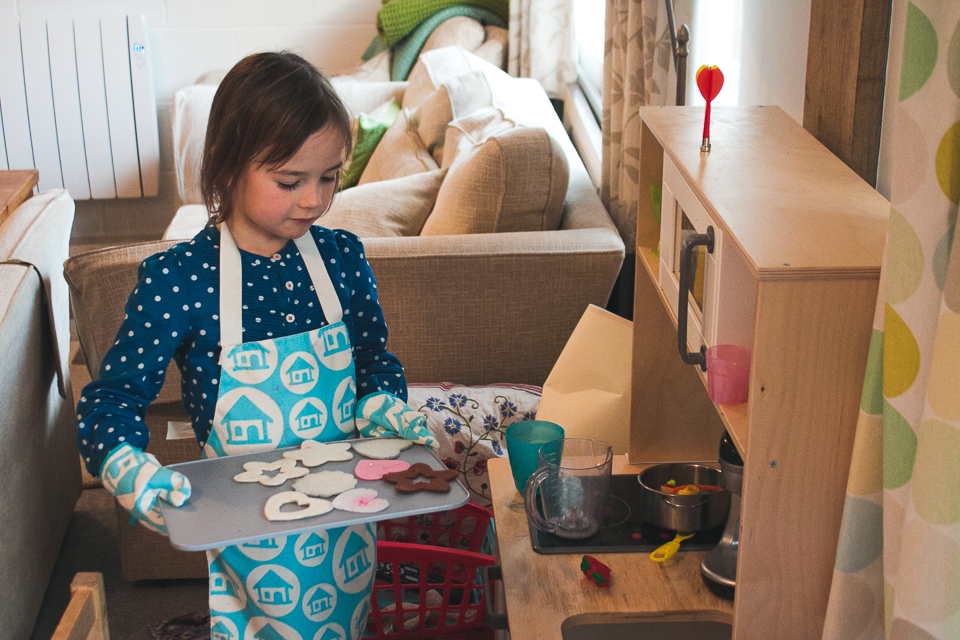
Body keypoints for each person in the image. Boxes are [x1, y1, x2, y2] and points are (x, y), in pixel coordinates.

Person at [76, 51, 435, 640]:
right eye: (290, 181)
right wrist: (127, 466)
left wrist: (381, 402)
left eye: (330, 177)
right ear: (226, 166)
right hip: (251, 534)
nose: (313, 200)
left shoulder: (343, 259)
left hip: (347, 517)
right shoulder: (179, 280)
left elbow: (373, 358)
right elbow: (111, 398)